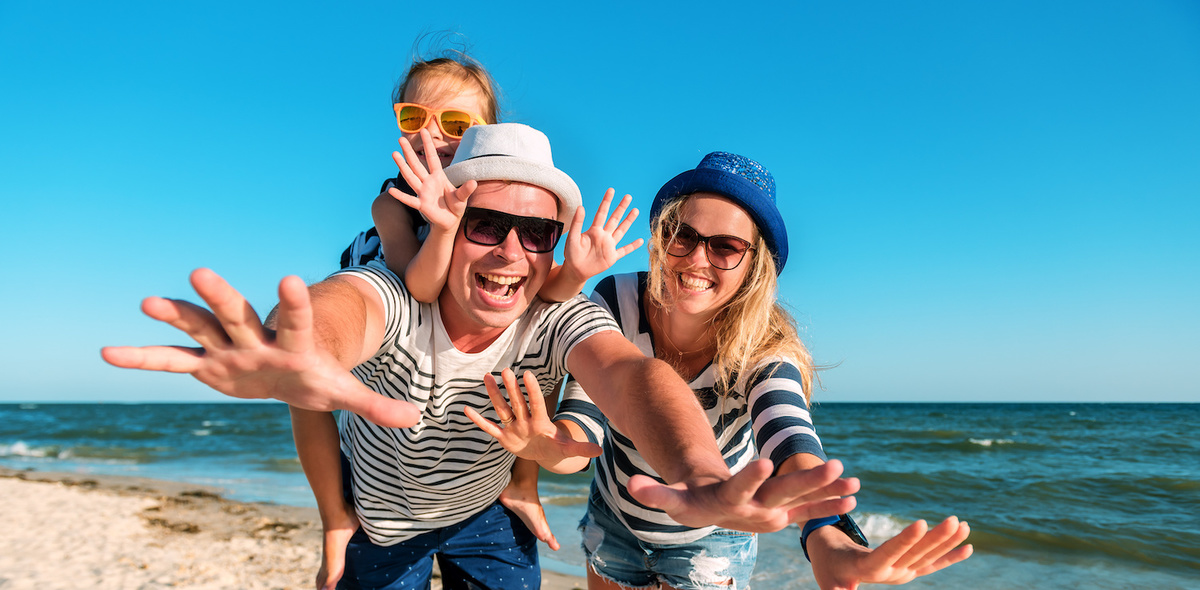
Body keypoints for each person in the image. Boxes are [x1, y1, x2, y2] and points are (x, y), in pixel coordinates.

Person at [101, 125, 861, 590]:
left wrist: (703, 478)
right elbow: (345, 307)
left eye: (535, 234)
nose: (510, 252)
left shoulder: (565, 312)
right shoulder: (399, 291)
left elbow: (631, 378)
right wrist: (294, 350)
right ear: (445, 220)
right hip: (385, 528)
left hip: (487, 521)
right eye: (486, 224)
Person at [472, 152, 974, 590]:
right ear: (661, 238)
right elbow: (583, 428)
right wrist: (545, 447)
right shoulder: (615, 301)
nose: (696, 258)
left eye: (725, 247)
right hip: (617, 518)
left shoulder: (764, 346)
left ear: (754, 265)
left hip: (713, 536)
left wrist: (828, 535)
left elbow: (790, 440)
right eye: (682, 235)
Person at [322, 49, 642, 585]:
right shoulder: (395, 208)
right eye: (412, 118)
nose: (433, 135)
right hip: (385, 503)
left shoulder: (512, 217)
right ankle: (334, 518)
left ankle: (522, 485)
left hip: (479, 499)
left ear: (487, 136)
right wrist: (444, 228)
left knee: (524, 366)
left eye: (455, 123)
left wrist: (575, 273)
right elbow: (416, 289)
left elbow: (541, 309)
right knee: (307, 396)